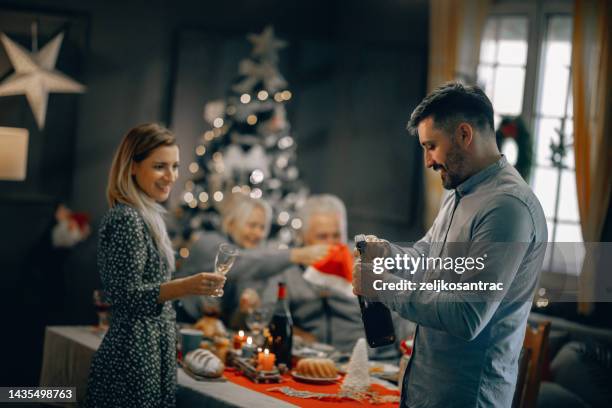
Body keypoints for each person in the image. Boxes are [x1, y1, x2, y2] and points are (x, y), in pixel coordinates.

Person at [352, 83, 547, 407]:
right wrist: (387, 255)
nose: (428, 160)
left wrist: (380, 285)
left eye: (432, 146)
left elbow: (467, 315)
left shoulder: (507, 207)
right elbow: (426, 257)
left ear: (464, 135)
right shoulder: (460, 192)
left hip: (465, 398)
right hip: (424, 390)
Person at [85, 124, 226, 408]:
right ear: (132, 167)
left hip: (150, 350)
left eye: (175, 166)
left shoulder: (147, 216)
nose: (171, 176)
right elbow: (126, 297)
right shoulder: (127, 218)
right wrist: (187, 286)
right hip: (132, 357)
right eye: (160, 166)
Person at [262, 194, 409, 354]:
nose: (331, 244)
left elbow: (401, 314)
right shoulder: (288, 269)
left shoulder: (365, 260)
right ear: (303, 237)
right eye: (322, 237)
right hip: (316, 360)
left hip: (374, 361)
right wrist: (297, 334)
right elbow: (267, 318)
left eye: (337, 235)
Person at [175, 194, 329, 327]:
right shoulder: (209, 242)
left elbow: (235, 323)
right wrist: (295, 255)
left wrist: (247, 308)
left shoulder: (251, 262)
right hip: (177, 319)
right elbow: (240, 263)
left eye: (262, 228)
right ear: (232, 223)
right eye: (252, 225)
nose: (257, 233)